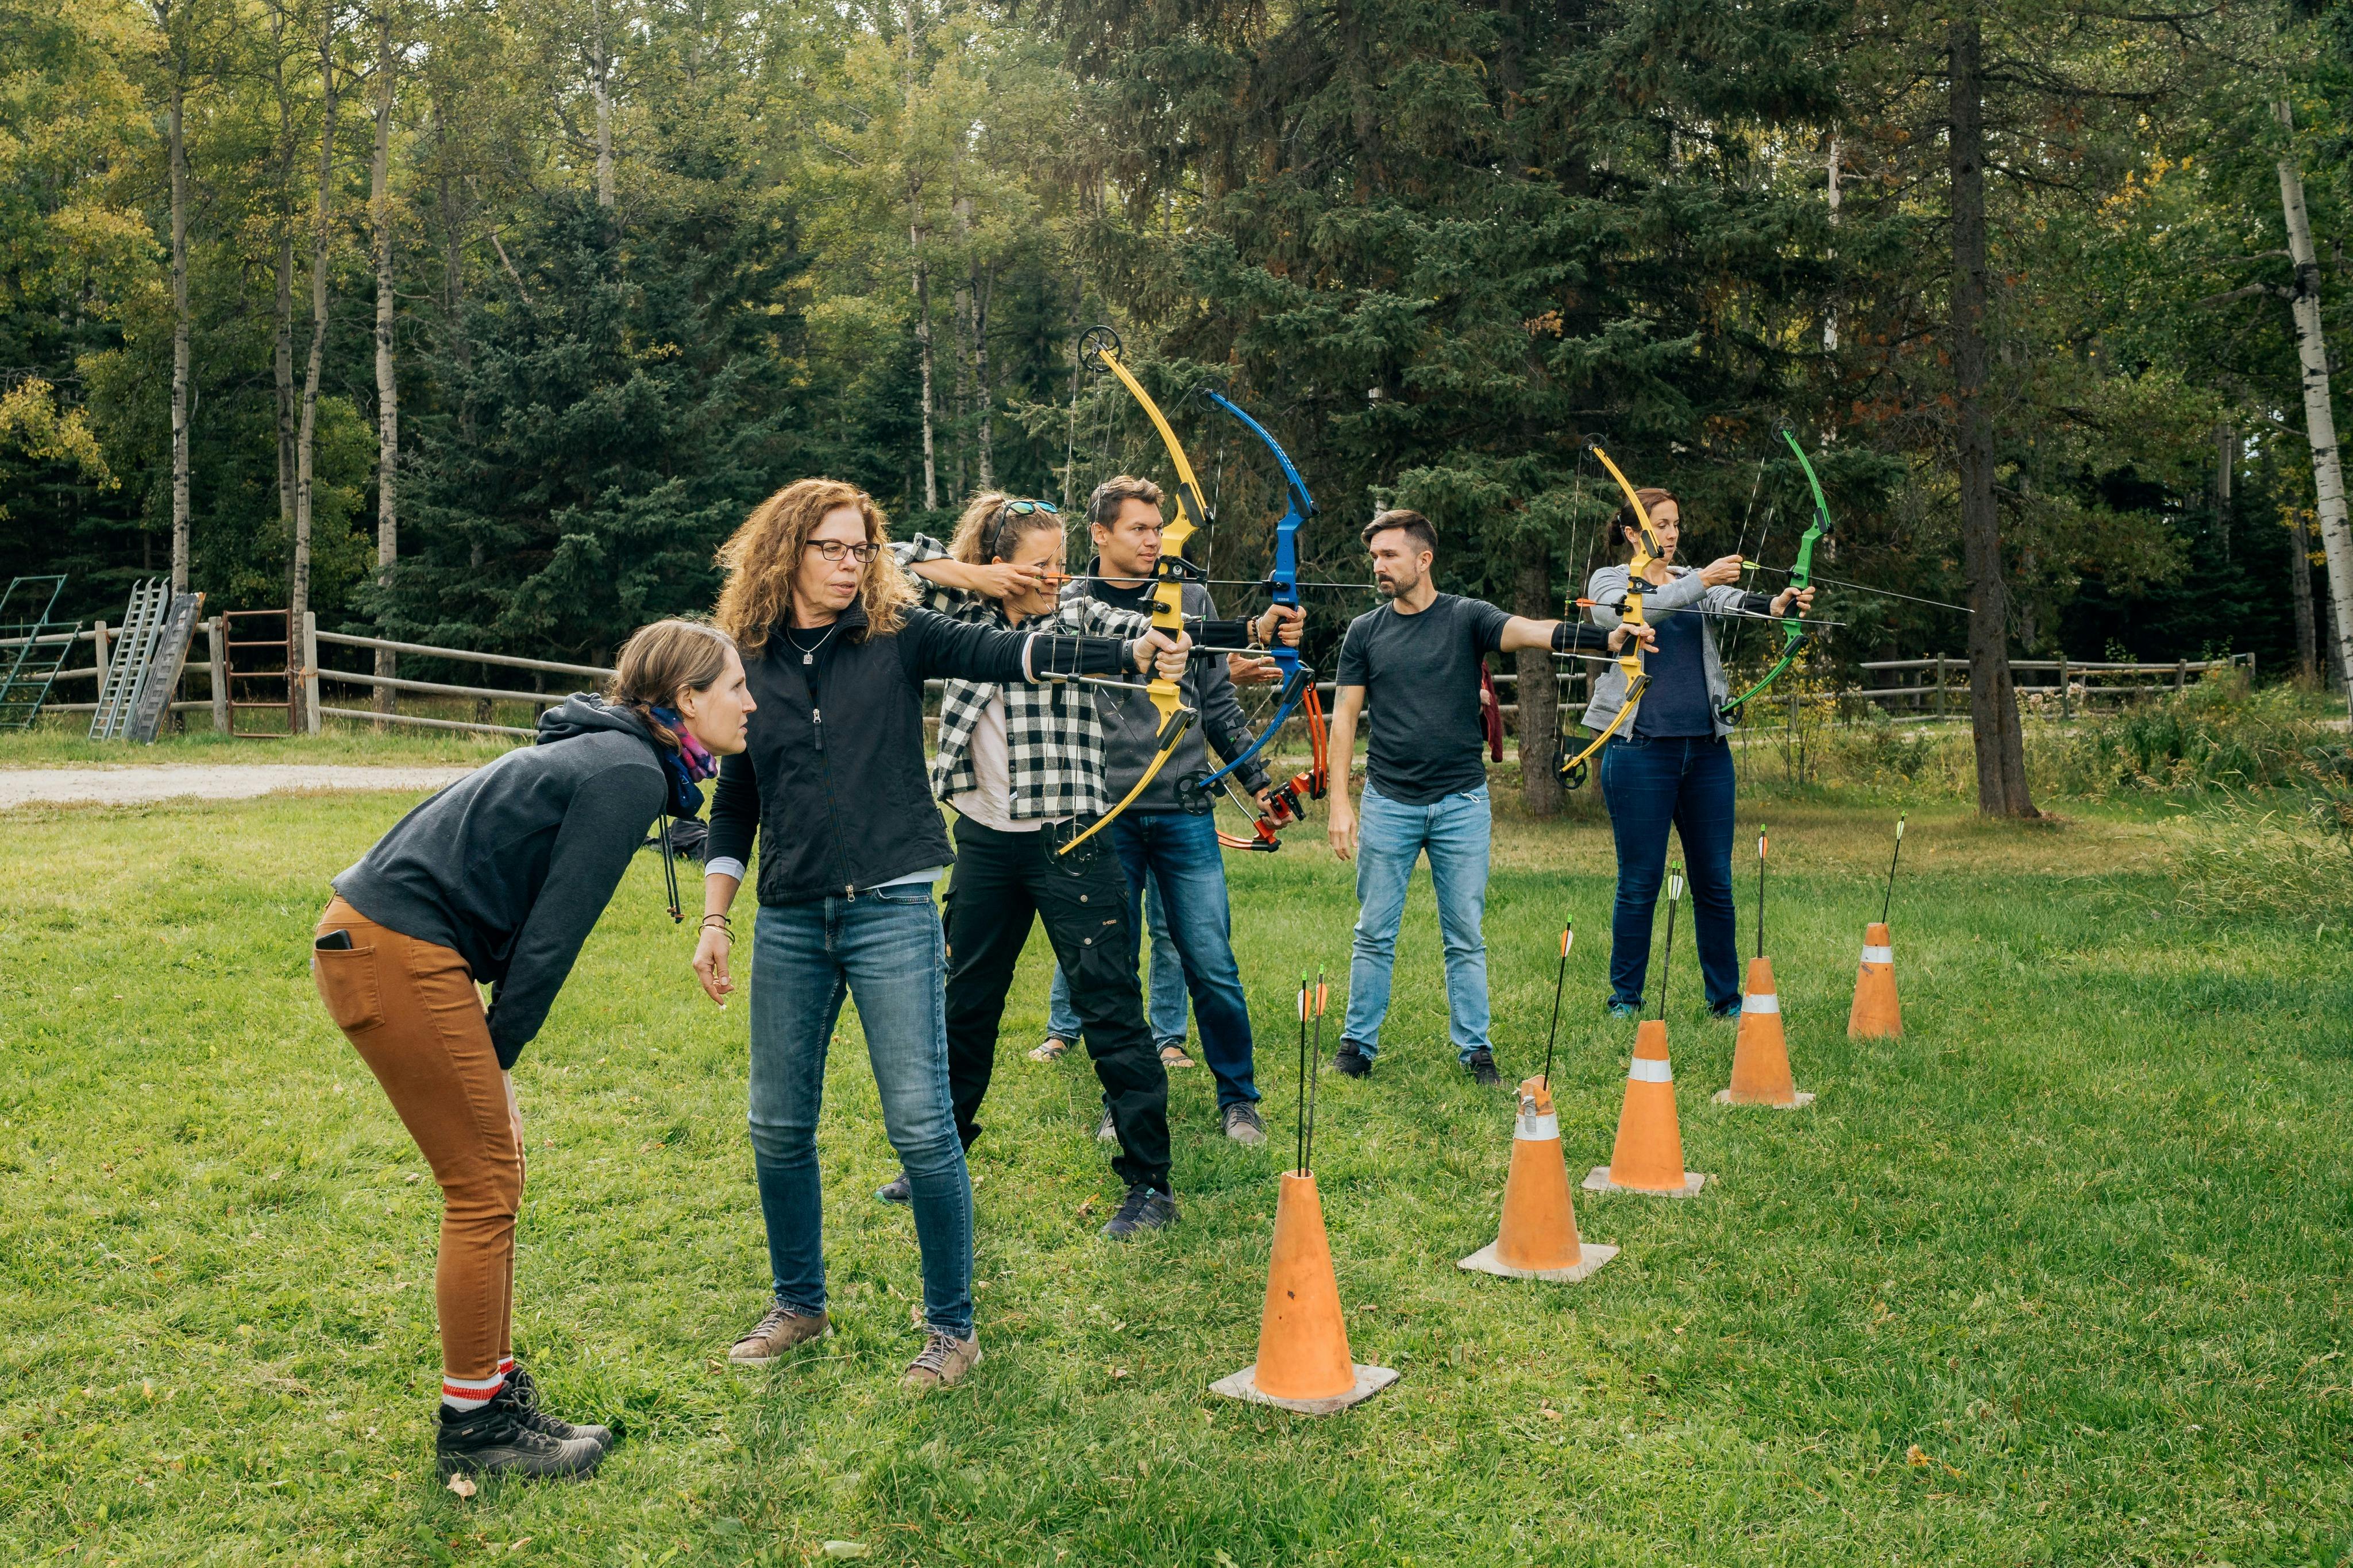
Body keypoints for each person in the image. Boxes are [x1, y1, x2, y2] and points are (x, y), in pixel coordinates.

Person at [691, 479, 1187, 1391]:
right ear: (786, 552)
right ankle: (799, 1302)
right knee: (776, 1124)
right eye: (831, 549)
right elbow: (739, 796)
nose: (849, 565)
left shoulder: (900, 632)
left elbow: (1015, 651)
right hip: (793, 913)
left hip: (891, 906)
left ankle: (953, 1330)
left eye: (860, 549)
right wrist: (716, 918)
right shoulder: (749, 655)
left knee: (923, 1127)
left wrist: (1126, 648)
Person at [314, 619, 753, 1480]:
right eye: (737, 685)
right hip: (392, 948)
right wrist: (500, 1058)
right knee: (482, 1184)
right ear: (686, 701)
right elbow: (551, 940)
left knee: (495, 1172)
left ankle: (491, 1386)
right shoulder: (626, 771)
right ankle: (474, 1423)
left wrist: (492, 1058)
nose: (751, 701)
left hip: (389, 943)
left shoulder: (620, 755)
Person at [865, 493, 1182, 1234]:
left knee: (1108, 1004)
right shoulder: (958, 620)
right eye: (1038, 565)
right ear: (999, 563)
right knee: (965, 1003)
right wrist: (975, 580)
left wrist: (1168, 643)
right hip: (982, 838)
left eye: (1060, 563)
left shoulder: (1076, 613)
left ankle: (1149, 1184)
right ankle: (937, 1158)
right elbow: (884, 569)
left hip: (1070, 840)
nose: (1052, 577)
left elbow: (1144, 628)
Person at [1324, 509, 1642, 1083]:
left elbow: (1532, 631)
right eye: (1374, 557)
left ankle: (1476, 1051)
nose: (1379, 566)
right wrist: (1340, 803)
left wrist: (1606, 636)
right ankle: (1356, 1047)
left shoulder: (1465, 618)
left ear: (1423, 560)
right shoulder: (1364, 632)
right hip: (1389, 802)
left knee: (1464, 934)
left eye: (1389, 555)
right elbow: (1344, 719)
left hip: (1460, 806)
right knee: (1373, 931)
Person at [1066, 475, 1303, 1144]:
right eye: (1139, 528)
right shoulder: (1071, 605)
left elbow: (1217, 703)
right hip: (1105, 813)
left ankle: (1239, 1099)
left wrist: (1256, 780)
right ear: (1100, 534)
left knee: (1211, 961)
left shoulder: (1187, 596)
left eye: (1157, 528)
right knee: (1112, 968)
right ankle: (1126, 1098)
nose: (1152, 540)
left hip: (1182, 806)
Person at [1579, 485, 1814, 1017]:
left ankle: (1725, 999)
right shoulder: (1611, 581)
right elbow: (1625, 613)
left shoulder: (1691, 581)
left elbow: (1730, 602)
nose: (1672, 534)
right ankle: (1626, 999)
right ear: (1634, 532)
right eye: (1661, 525)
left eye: (1676, 524)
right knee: (1639, 882)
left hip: (1706, 753)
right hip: (1640, 752)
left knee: (1715, 881)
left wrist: (1779, 604)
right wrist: (1701, 579)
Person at [1037, 872, 1187, 1067]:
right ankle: (1063, 1028)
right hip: (1117, 842)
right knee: (1095, 926)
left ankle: (1169, 1038)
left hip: (1170, 842)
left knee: (1169, 928)